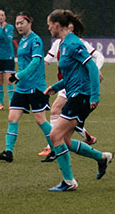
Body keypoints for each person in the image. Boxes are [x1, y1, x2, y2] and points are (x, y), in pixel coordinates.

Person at [42, 9, 113, 192]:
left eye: (49, 25)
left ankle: (69, 182)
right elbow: (72, 75)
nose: (48, 28)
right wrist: (55, 87)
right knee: (64, 140)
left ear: (57, 25)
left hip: (82, 96)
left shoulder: (73, 43)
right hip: (74, 94)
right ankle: (101, 157)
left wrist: (94, 96)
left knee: (55, 136)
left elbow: (92, 69)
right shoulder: (64, 44)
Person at [37, 27, 104, 161]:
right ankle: (96, 151)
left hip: (78, 88)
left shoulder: (77, 43)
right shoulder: (58, 43)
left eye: (50, 24)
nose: (48, 28)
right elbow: (46, 60)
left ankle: (53, 148)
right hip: (67, 84)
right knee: (66, 133)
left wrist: (94, 73)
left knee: (57, 115)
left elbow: (97, 59)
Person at [0, 13, 52, 162]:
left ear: (29, 23)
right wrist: (18, 76)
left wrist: (18, 75)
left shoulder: (36, 40)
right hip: (22, 86)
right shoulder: (22, 41)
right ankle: (8, 152)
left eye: (22, 23)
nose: (19, 26)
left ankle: (56, 148)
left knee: (40, 120)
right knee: (12, 118)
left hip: (36, 86)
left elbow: (35, 63)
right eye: (17, 23)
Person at [0, 9, 16, 109]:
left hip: (8, 56)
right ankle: (1, 104)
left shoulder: (9, 27)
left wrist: (3, 30)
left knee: (10, 80)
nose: (0, 17)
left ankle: (11, 103)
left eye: (2, 15)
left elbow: (8, 40)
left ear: (5, 17)